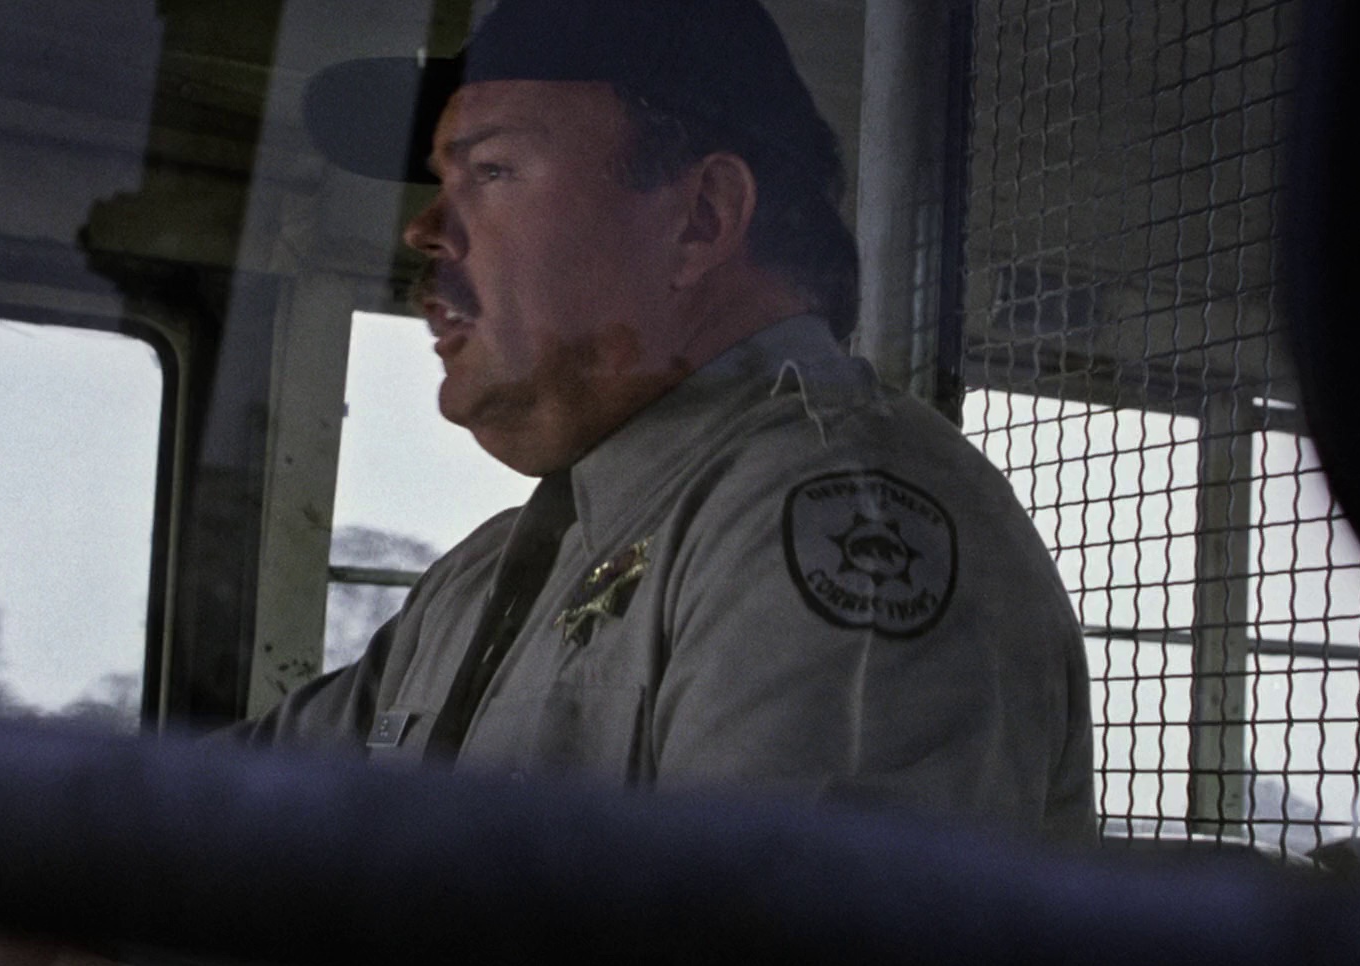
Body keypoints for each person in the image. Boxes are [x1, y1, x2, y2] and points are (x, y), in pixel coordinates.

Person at [235, 0, 1097, 848]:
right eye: (445, 183)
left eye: (491, 172)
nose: (425, 230)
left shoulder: (834, 523)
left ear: (700, 219)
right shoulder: (483, 579)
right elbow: (217, 819)